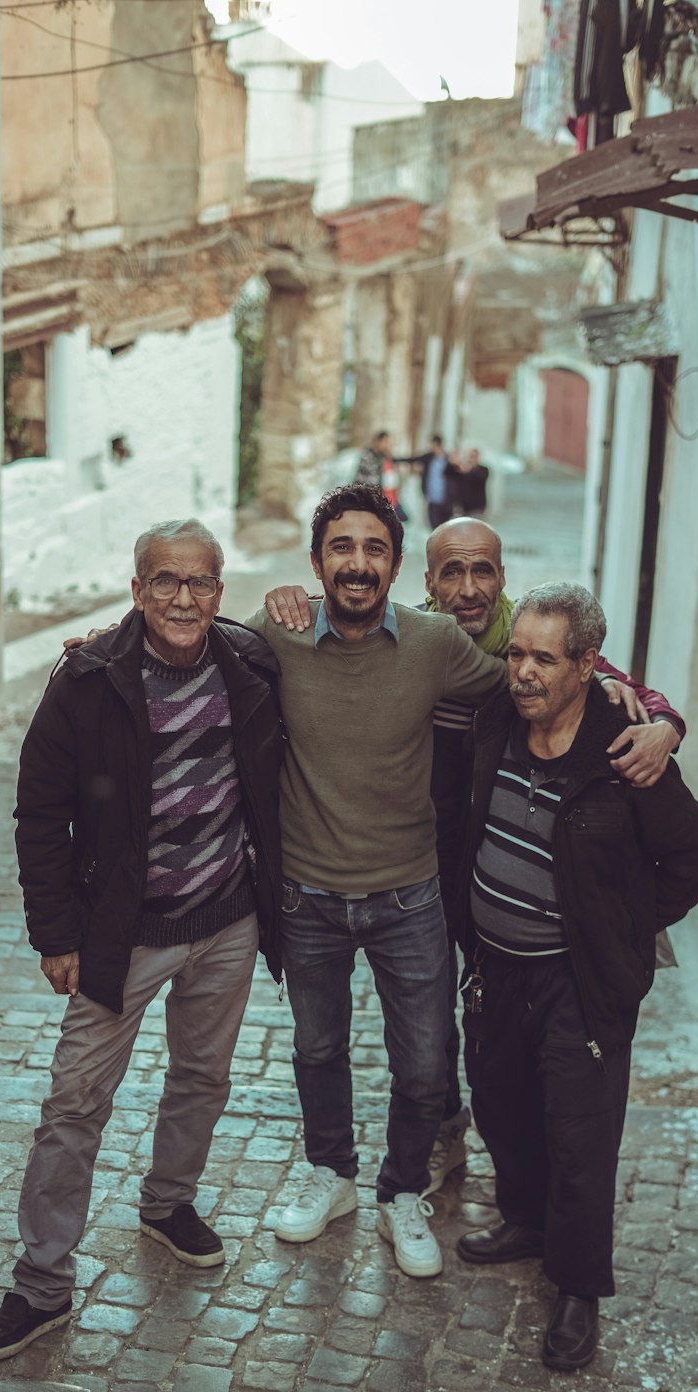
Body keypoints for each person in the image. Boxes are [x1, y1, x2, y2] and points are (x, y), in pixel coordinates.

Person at [264, 516, 686, 1197]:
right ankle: (443, 1133)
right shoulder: (417, 636)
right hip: (423, 857)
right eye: (450, 574)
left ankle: (517, 1171)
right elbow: (236, 644)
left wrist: (664, 721)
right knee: (423, 1024)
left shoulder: (527, 644)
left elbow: (607, 681)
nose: (467, 589)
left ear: (502, 578)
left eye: (482, 571)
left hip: (497, 859)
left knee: (461, 1025)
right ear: (425, 583)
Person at [0, 519, 283, 1363]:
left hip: (226, 920)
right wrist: (55, 932)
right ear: (137, 588)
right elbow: (41, 813)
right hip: (121, 934)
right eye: (166, 582)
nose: (185, 599)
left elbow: (345, 644)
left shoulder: (250, 663)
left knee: (203, 1076)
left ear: (221, 589)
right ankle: (42, 1284)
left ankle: (168, 1201)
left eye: (201, 582)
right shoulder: (87, 680)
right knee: (74, 1103)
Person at [454, 582, 698, 1371]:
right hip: (494, 971)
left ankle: (576, 1288)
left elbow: (692, 860)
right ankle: (525, 1221)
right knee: (500, 1105)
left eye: (544, 658)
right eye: (517, 654)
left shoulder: (625, 751)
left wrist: (623, 937)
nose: (523, 672)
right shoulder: (496, 722)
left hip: (576, 983)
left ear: (587, 667)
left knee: (580, 1135)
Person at [247, 485, 507, 1279]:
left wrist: (638, 703)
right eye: (341, 547)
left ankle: (401, 1191)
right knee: (317, 1047)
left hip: (409, 895)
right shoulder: (276, 634)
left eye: (374, 549)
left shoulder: (433, 643)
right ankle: (333, 1175)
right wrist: (94, 644)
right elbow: (182, 642)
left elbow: (529, 682)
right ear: (317, 559)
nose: (357, 564)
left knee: (426, 1062)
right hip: (308, 895)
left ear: (396, 566)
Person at [355, 430, 407, 522]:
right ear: (378, 442)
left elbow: (393, 479)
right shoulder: (368, 457)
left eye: (389, 443)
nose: (388, 445)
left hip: (390, 500)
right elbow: (369, 482)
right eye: (385, 442)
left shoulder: (386, 458)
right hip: (371, 503)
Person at [405, 434, 451, 530]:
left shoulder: (448, 459)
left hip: (445, 501)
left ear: (437, 444)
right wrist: (393, 459)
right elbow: (412, 459)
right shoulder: (429, 457)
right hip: (432, 499)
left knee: (444, 527)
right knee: (434, 527)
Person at [447, 448, 490, 516]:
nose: (472, 459)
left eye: (474, 456)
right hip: (463, 508)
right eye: (470, 456)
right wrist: (454, 461)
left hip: (477, 507)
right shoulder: (462, 470)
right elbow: (448, 473)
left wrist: (469, 469)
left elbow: (480, 476)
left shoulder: (483, 470)